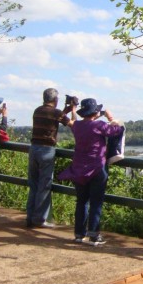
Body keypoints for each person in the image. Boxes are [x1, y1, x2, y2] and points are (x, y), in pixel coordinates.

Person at [58, 98, 124, 246]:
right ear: (95, 113)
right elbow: (116, 130)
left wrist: (73, 111)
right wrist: (110, 117)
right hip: (96, 169)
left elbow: (76, 121)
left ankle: (79, 234)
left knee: (81, 202)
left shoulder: (77, 126)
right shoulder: (99, 125)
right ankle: (94, 235)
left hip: (78, 169)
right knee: (96, 203)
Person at [26, 88, 74, 228]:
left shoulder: (37, 110)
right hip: (46, 150)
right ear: (56, 100)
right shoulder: (56, 113)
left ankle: (30, 217)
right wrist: (73, 110)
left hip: (34, 148)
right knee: (44, 185)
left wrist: (64, 110)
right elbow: (71, 124)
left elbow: (53, 118)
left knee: (33, 184)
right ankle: (40, 219)